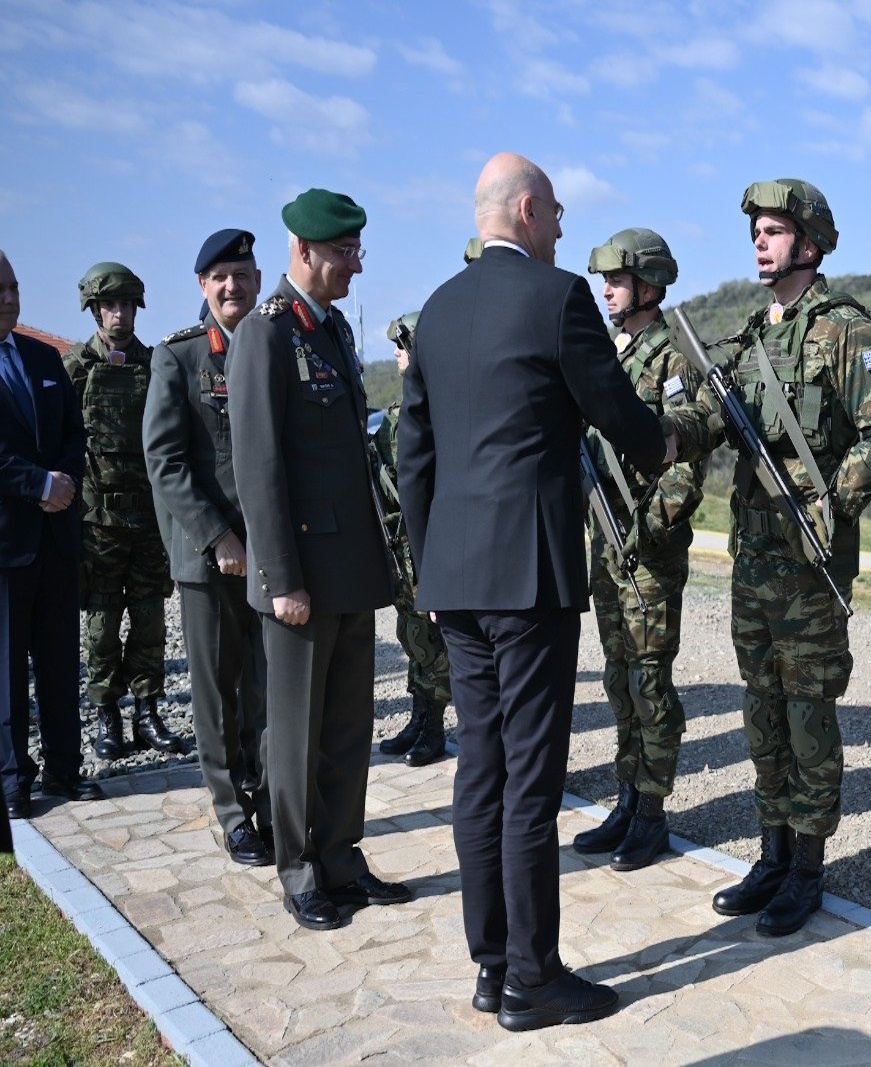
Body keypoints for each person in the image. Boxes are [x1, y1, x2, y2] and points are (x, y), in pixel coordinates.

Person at [399, 153, 669, 1031]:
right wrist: (661, 444)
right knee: (530, 777)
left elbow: (414, 454)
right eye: (554, 211)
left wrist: (431, 566)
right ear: (524, 210)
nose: (560, 227)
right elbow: (615, 409)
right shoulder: (558, 299)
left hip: (456, 579)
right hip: (528, 578)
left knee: (481, 768)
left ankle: (490, 964)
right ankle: (533, 977)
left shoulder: (437, 309)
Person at [672, 179, 871, 938]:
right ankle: (770, 852)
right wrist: (662, 432)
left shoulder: (847, 332)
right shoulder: (749, 338)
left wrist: (830, 500)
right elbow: (707, 415)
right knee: (761, 706)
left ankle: (807, 865)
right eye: (756, 233)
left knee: (808, 713)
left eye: (773, 232)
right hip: (754, 558)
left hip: (809, 563)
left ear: (809, 241)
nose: (760, 244)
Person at [230, 189, 412, 932]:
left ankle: (340, 854)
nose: (355, 265)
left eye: (357, 250)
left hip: (350, 568)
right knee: (296, 733)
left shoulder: (331, 328)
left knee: (345, 728)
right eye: (344, 252)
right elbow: (258, 466)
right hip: (301, 575)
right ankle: (299, 869)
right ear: (304, 251)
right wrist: (281, 578)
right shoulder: (265, 334)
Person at [570, 228, 706, 871]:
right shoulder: (606, 356)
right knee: (618, 677)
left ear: (648, 287)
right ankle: (626, 798)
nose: (606, 291)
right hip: (605, 543)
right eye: (604, 281)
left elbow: (686, 466)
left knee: (649, 682)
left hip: (646, 550)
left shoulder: (671, 362)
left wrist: (644, 529)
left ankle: (651, 812)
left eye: (617, 281)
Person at [143, 228, 271, 866]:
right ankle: (233, 813)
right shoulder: (181, 357)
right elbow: (164, 461)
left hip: (272, 553)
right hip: (209, 556)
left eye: (242, 275)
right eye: (220, 277)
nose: (232, 286)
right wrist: (219, 536)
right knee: (218, 693)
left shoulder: (274, 344)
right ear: (203, 284)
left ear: (257, 280)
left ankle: (271, 800)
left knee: (269, 689)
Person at [64, 263, 187, 760]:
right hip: (98, 524)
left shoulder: (156, 366)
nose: (119, 314)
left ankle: (148, 712)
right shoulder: (75, 368)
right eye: (110, 305)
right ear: (95, 310)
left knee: (151, 618)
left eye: (127, 305)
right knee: (101, 624)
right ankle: (106, 715)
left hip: (149, 519)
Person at [0, 250, 93, 820]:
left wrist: (64, 482)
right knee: (7, 671)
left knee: (60, 663)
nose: (10, 298)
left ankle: (65, 767)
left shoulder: (42, 357)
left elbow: (74, 433)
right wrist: (37, 484)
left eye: (14, 287)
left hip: (56, 538)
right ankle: (13, 782)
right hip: (7, 544)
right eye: (0, 290)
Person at [370, 312, 450, 768]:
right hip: (401, 544)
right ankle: (420, 716)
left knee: (432, 639)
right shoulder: (399, 411)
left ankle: (434, 725)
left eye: (403, 346)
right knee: (411, 632)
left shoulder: (438, 406)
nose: (397, 355)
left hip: (427, 541)